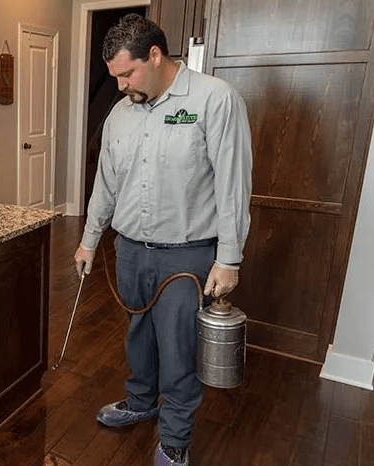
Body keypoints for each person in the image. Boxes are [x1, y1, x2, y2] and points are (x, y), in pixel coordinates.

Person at [73, 13, 252, 466]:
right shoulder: (120, 112)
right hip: (130, 249)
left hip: (187, 256)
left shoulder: (214, 100)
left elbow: (233, 185)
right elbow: (105, 185)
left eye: (126, 73)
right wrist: (90, 240)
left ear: (155, 55)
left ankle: (174, 437)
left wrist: (228, 259)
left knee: (178, 350)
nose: (119, 86)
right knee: (139, 336)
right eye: (114, 76)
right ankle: (140, 401)